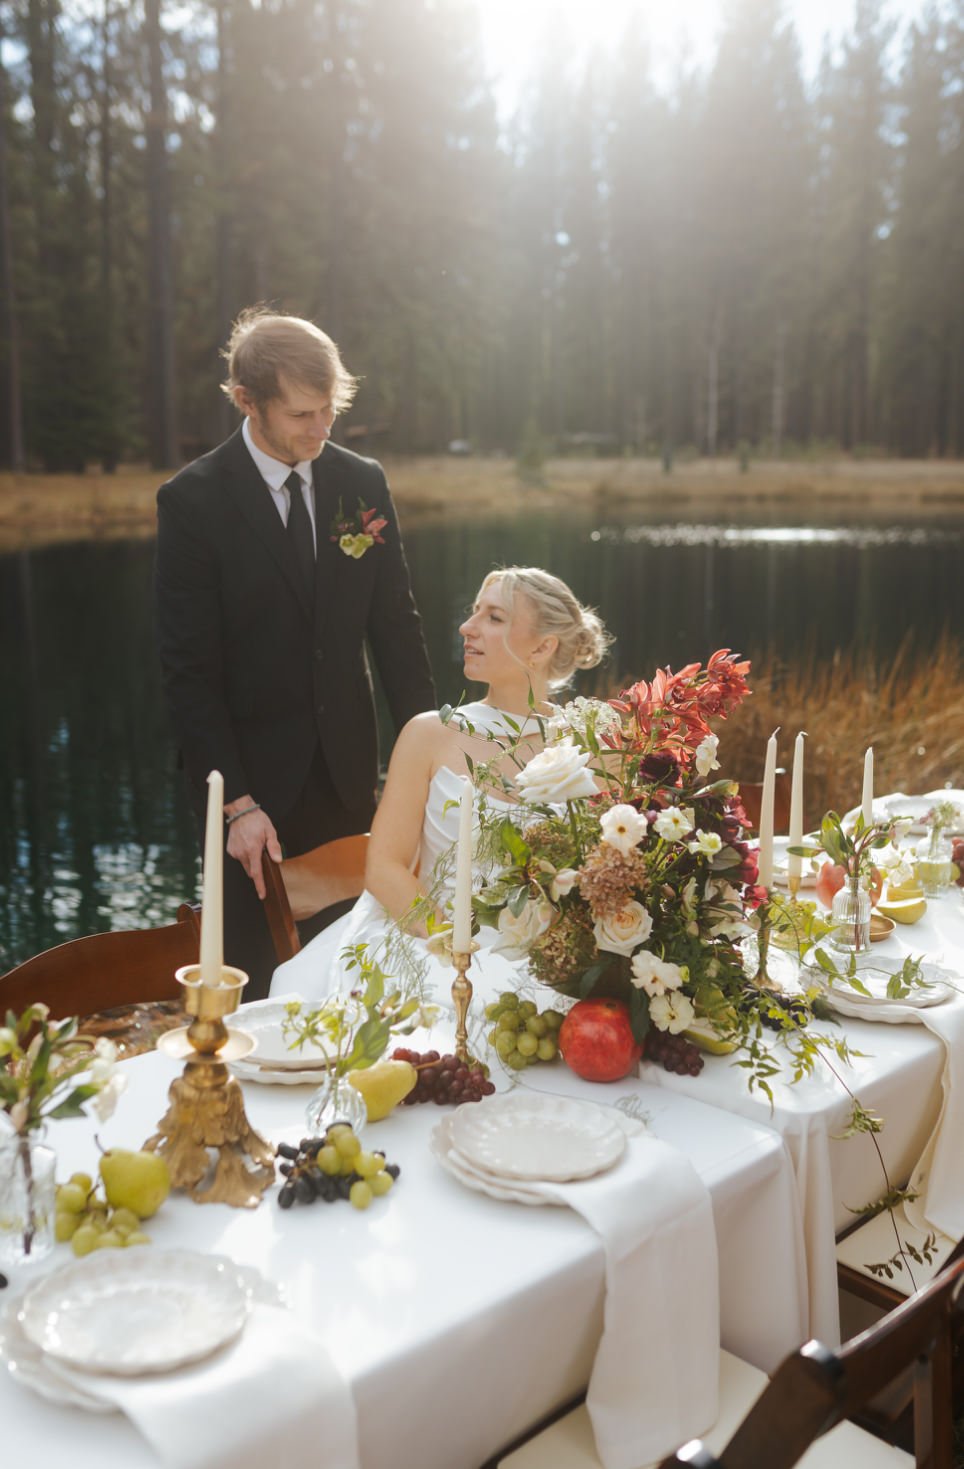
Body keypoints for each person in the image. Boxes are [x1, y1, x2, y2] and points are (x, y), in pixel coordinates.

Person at [155, 308, 436, 998]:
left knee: (365, 973)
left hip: (352, 780)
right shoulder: (193, 501)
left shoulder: (361, 483)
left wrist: (432, 770)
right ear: (247, 401)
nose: (322, 429)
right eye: (303, 414)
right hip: (251, 795)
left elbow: (397, 633)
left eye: (330, 410)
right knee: (260, 991)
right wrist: (236, 806)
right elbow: (190, 670)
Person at [269, 566, 610, 1001]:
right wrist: (454, 948)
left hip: (547, 961)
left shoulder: (593, 745)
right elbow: (385, 866)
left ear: (543, 646)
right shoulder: (429, 734)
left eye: (494, 618)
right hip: (429, 942)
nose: (467, 628)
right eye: (473, 613)